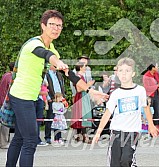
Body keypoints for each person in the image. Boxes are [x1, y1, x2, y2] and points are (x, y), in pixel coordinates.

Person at [6, 10, 108, 167]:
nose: (56, 28)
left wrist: (90, 91)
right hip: (21, 95)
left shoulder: (53, 48)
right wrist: (56, 61)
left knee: (20, 137)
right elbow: (45, 54)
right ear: (43, 26)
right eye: (52, 24)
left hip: (32, 97)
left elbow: (71, 76)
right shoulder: (33, 44)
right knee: (30, 140)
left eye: (59, 26)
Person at [92, 57, 158, 167]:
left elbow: (146, 107)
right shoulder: (116, 94)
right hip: (116, 132)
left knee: (126, 160)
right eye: (121, 71)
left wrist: (151, 125)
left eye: (127, 71)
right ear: (117, 73)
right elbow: (107, 113)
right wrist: (98, 132)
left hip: (133, 132)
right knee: (115, 163)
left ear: (133, 73)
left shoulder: (140, 90)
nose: (124, 74)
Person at [71, 62, 94, 143]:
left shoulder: (81, 76)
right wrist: (88, 84)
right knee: (83, 114)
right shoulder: (78, 76)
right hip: (81, 96)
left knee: (81, 115)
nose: (86, 68)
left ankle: (79, 135)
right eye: (84, 66)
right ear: (80, 67)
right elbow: (79, 89)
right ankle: (84, 136)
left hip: (83, 96)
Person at [142, 63, 159, 136]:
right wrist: (158, 85)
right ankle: (151, 130)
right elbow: (147, 88)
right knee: (153, 112)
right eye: (156, 66)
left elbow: (158, 82)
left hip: (157, 94)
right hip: (151, 95)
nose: (157, 67)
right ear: (152, 67)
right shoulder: (146, 76)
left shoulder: (156, 73)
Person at [44, 64, 65, 144]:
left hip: (60, 98)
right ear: (50, 66)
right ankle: (48, 137)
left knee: (59, 119)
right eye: (54, 65)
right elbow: (45, 87)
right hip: (52, 99)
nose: (56, 67)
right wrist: (48, 98)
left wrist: (63, 97)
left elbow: (62, 85)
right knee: (50, 118)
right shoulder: (46, 74)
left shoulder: (59, 75)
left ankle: (58, 137)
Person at [0, 62, 14, 149]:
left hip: (3, 100)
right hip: (5, 102)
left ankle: (4, 141)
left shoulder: (6, 75)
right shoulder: (10, 77)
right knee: (5, 124)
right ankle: (4, 143)